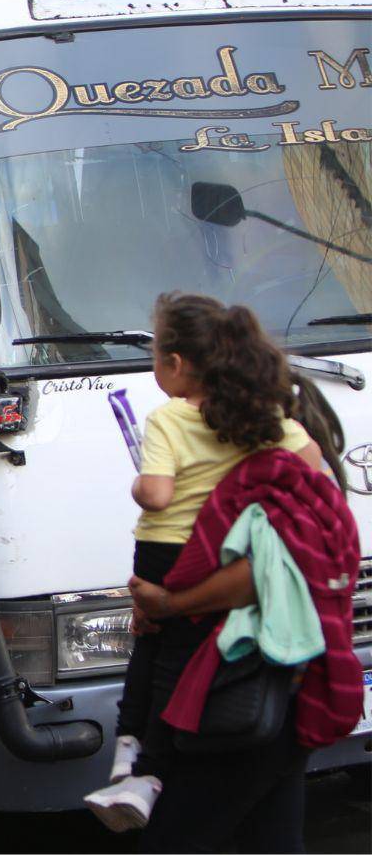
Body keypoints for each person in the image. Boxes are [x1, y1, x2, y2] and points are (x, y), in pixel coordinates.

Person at [84, 292, 322, 833]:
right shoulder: (261, 420)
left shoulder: (169, 418)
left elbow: (160, 496)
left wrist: (167, 599)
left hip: (183, 571)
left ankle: (139, 762)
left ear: (175, 364)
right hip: (238, 595)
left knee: (158, 655)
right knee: (276, 831)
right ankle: (141, 766)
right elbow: (316, 472)